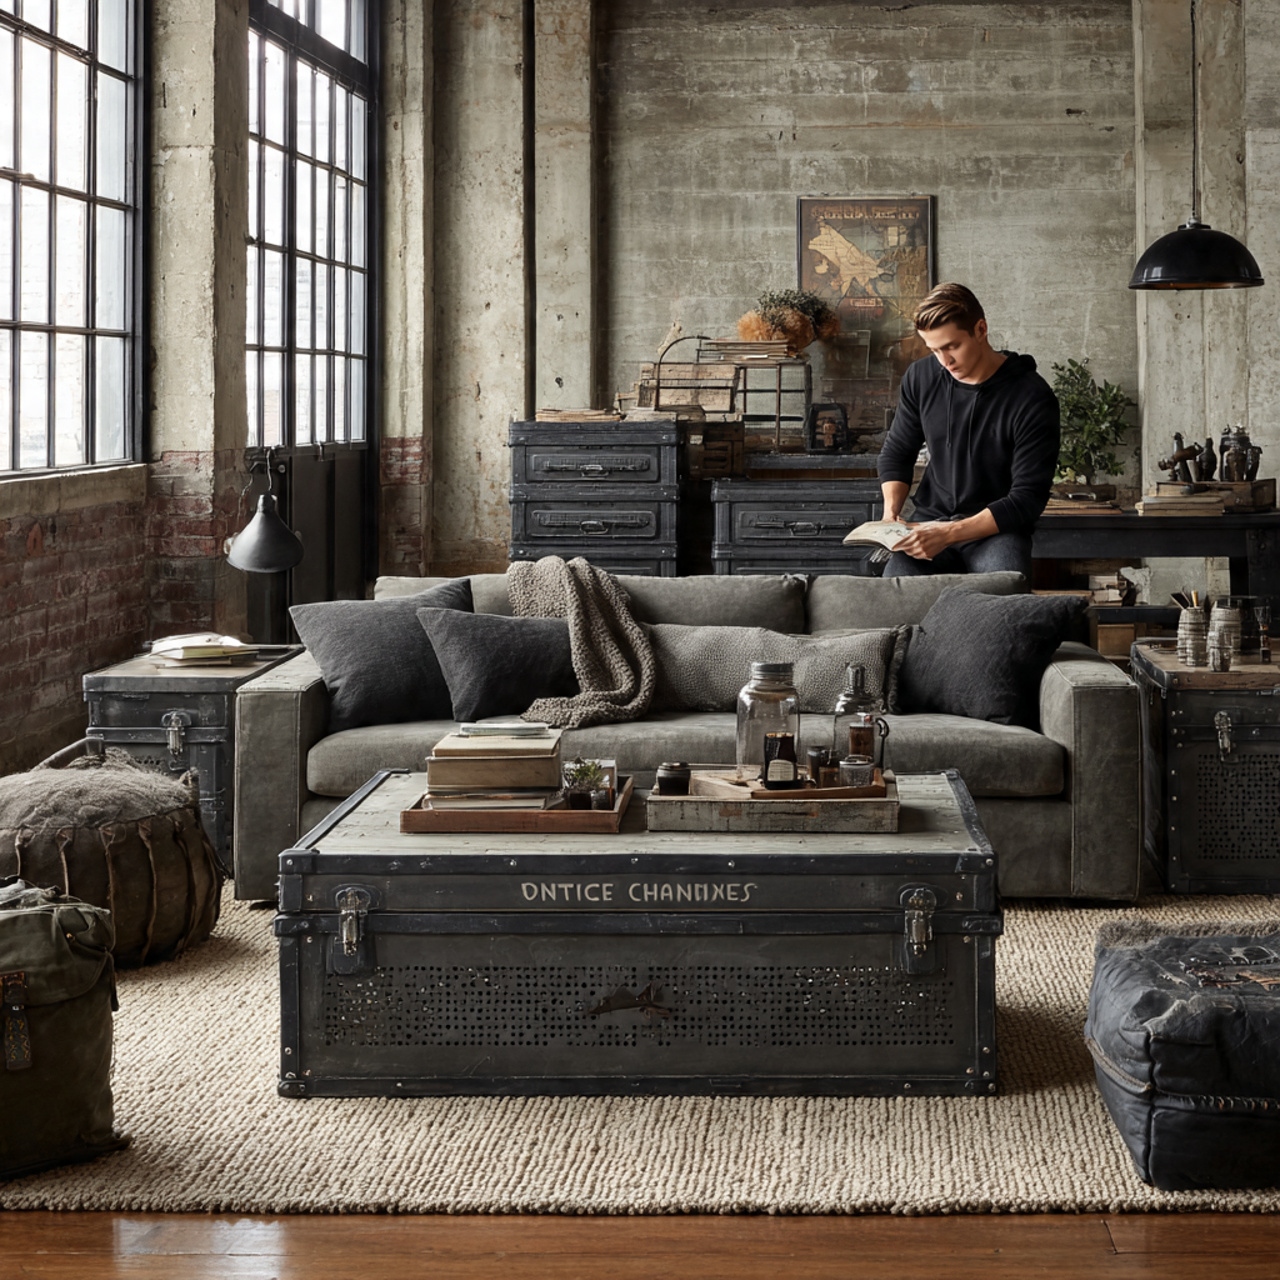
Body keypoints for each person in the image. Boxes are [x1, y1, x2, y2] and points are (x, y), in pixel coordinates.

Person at [876, 282, 1060, 581]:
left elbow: (1027, 499)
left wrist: (949, 533)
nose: (944, 362)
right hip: (928, 522)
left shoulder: (1032, 397)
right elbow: (897, 453)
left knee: (1003, 594)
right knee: (895, 592)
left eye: (952, 347)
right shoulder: (920, 377)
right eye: (934, 350)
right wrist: (890, 516)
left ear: (980, 329)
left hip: (995, 530)